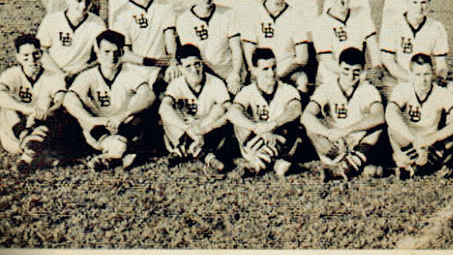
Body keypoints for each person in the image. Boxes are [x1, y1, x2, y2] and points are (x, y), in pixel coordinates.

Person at [63, 30, 155, 171]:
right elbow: (69, 99)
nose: (111, 57)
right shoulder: (88, 75)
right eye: (106, 52)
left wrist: (123, 114)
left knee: (144, 113)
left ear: (122, 53)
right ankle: (119, 153)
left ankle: (110, 156)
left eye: (116, 52)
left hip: (123, 125)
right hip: (98, 128)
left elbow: (148, 95)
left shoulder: (129, 73)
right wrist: (91, 120)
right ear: (98, 52)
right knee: (77, 114)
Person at [301, 47, 385, 181]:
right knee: (311, 128)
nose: (350, 76)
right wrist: (328, 133)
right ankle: (352, 162)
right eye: (346, 71)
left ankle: (346, 166)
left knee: (377, 128)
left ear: (363, 70)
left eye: (356, 72)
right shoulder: (327, 87)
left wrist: (346, 131)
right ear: (339, 67)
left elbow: (379, 116)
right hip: (334, 142)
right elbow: (306, 116)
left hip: (357, 140)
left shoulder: (368, 89)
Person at [227, 48, 303, 177]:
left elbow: (295, 109)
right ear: (255, 71)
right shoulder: (247, 91)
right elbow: (232, 113)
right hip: (257, 137)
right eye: (265, 69)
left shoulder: (287, 89)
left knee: (293, 124)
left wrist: (272, 125)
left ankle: (259, 164)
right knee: (239, 123)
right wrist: (257, 128)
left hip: (278, 137)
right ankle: (272, 160)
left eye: (273, 67)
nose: (271, 73)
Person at [386, 53, 453, 179]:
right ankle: (425, 164)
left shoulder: (442, 93)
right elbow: (390, 113)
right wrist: (414, 140)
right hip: (410, 139)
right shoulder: (403, 89)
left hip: (432, 141)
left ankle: (413, 166)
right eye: (418, 75)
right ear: (411, 75)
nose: (423, 80)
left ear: (433, 73)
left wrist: (433, 138)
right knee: (393, 130)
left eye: (426, 74)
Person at [158, 44, 231, 172]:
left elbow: (230, 110)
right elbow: (164, 108)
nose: (194, 70)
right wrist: (189, 129)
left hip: (207, 128)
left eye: (197, 64)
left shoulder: (215, 82)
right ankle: (205, 155)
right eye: (188, 66)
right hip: (187, 129)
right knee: (167, 113)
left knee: (219, 109)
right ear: (180, 68)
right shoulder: (176, 84)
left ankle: (183, 149)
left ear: (202, 63)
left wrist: (205, 128)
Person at [0, 35, 66, 173]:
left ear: (41, 54)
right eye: (26, 55)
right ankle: (32, 147)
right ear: (17, 57)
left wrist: (45, 113)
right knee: (6, 107)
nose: (31, 60)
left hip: (41, 126)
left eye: (35, 54)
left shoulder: (53, 76)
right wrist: (29, 111)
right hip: (14, 133)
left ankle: (29, 155)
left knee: (54, 112)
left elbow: (60, 101)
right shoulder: (11, 74)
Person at [240, 0, 310, 95]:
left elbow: (302, 58)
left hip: (286, 70)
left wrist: (280, 75)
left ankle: (300, 113)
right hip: (261, 70)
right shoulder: (253, 13)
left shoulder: (296, 15)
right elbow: (249, 52)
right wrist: (259, 72)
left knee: (302, 80)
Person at [175, 0, 244, 96]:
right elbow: (192, 57)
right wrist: (217, 81)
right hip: (204, 75)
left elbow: (236, 49)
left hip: (228, 73)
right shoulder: (184, 19)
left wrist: (235, 74)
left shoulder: (228, 13)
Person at [112, 0, 180, 87]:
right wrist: (153, 62)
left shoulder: (164, 7)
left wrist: (172, 62)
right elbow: (125, 53)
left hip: (161, 69)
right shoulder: (121, 14)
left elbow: (170, 41)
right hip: (134, 70)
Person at [312, 0, 381, 84]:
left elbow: (373, 46)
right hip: (332, 76)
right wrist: (351, 75)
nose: (340, 1)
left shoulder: (361, 14)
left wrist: (377, 67)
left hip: (358, 75)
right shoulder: (320, 23)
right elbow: (327, 60)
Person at [380, 0, 449, 87]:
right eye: (415, 2)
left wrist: (438, 78)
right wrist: (412, 80)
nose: (419, 7)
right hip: (399, 81)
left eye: (423, 2)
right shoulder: (392, 25)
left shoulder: (437, 27)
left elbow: (441, 64)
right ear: (407, 1)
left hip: (426, 81)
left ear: (429, 2)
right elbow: (389, 62)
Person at [37, 0, 106, 83]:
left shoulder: (96, 23)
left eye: (87, 2)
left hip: (81, 75)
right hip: (52, 73)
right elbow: (41, 51)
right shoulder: (52, 20)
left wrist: (80, 72)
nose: (83, 7)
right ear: (67, 0)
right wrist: (60, 74)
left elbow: (102, 55)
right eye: (78, 1)